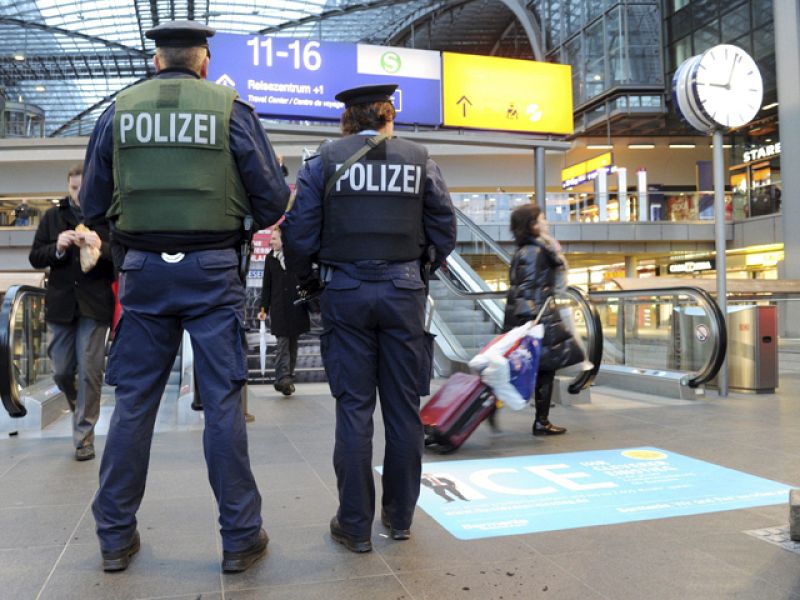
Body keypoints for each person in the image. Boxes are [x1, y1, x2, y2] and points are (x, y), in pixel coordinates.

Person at [80, 20, 289, 573]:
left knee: (133, 406)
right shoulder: (230, 111)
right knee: (222, 404)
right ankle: (241, 537)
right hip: (213, 272)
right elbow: (272, 201)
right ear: (203, 63)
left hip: (144, 274)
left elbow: (94, 203)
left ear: (157, 62)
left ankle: (115, 538)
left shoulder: (118, 111)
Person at [282, 83, 456, 553]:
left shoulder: (321, 161)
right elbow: (445, 228)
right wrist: (418, 268)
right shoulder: (422, 160)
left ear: (348, 120)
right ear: (387, 118)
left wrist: (311, 280)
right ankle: (399, 519)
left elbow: (298, 233)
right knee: (403, 410)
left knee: (354, 410)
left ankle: (354, 525)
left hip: (345, 292)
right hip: (404, 294)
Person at [29, 164, 115, 461]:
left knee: (91, 371)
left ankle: (84, 437)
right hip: (61, 306)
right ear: (68, 187)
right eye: (74, 188)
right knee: (62, 370)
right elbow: (34, 256)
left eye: (83, 188)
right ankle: (79, 403)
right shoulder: (53, 217)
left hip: (94, 305)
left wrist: (100, 246)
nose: (78, 193)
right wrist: (58, 247)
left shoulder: (104, 219)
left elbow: (121, 258)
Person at [503, 204, 584, 436]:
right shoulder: (534, 251)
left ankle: (542, 420)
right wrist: (531, 321)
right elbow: (527, 288)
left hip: (539, 313)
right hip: (537, 315)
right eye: (542, 219)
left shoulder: (532, 249)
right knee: (545, 368)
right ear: (532, 224)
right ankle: (540, 421)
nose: (547, 222)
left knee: (546, 367)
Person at [258, 225, 309, 396]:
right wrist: (263, 308)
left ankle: (287, 379)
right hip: (279, 308)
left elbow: (305, 278)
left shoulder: (295, 257)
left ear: (283, 240)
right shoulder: (269, 259)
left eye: (274, 238)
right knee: (283, 343)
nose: (270, 242)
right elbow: (266, 286)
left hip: (296, 307)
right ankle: (282, 377)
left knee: (293, 343)